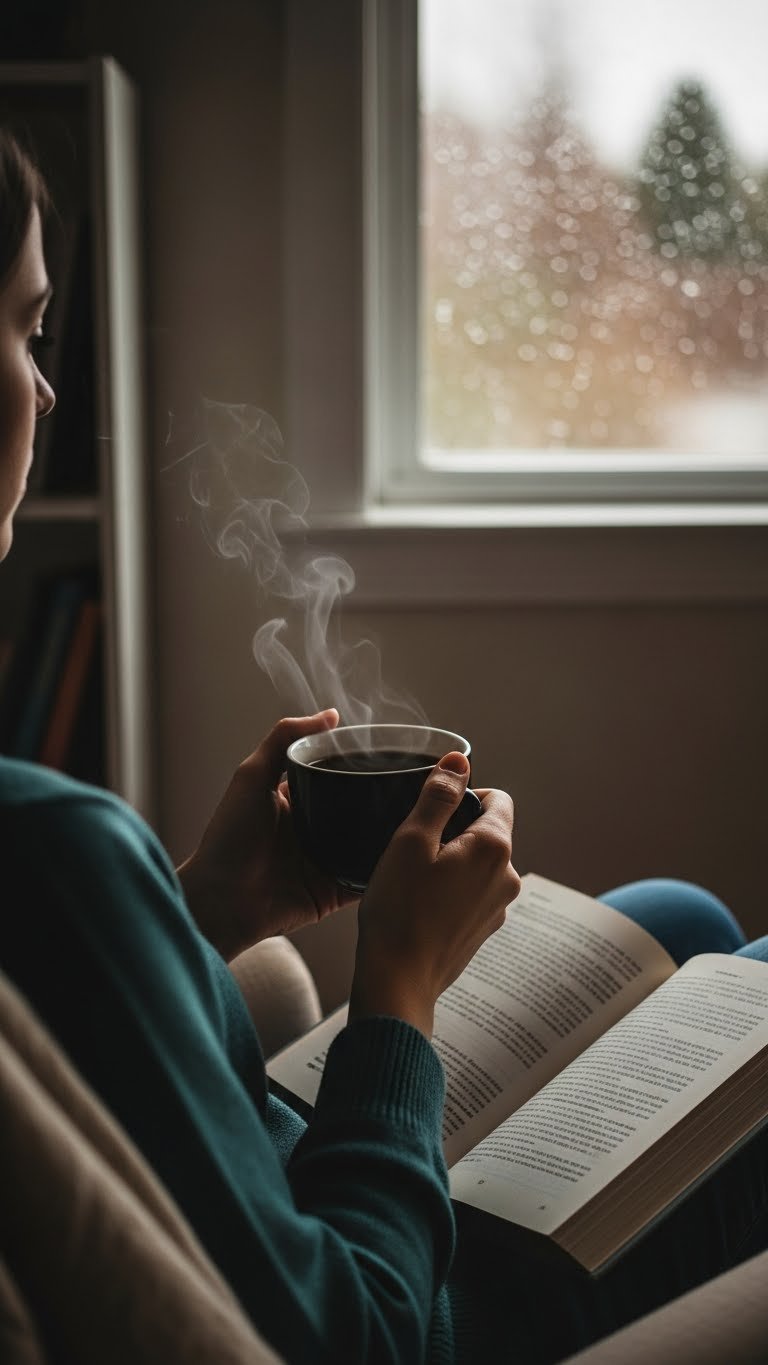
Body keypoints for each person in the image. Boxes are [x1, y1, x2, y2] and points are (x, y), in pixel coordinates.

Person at [0, 126, 766, 1365]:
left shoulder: (49, 861)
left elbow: (69, 1037)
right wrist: (396, 981)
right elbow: (363, 1335)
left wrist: (201, 909)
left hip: (288, 1177)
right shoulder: (45, 842)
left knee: (673, 916)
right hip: (416, 1294)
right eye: (26, 332)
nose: (42, 389)